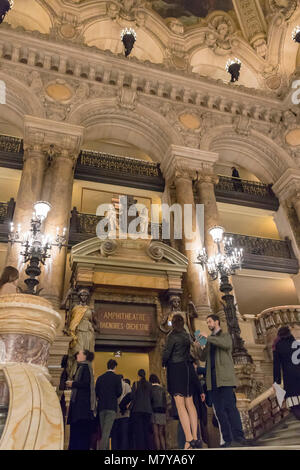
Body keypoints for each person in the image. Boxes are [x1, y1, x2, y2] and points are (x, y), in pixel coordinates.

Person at [195, 314, 249, 448]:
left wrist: (209, 338)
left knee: (231, 409)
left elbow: (224, 345)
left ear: (216, 322)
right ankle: (228, 440)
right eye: (207, 322)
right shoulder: (210, 340)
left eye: (210, 321)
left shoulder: (224, 336)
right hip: (212, 381)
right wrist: (198, 345)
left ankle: (239, 437)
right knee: (219, 412)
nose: (208, 324)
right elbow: (202, 356)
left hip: (224, 379)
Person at [162, 314, 200, 450]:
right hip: (188, 369)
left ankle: (188, 440)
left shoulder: (172, 336)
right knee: (190, 403)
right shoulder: (188, 334)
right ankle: (196, 438)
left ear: (173, 323)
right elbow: (198, 346)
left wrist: (163, 362)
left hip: (176, 369)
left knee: (180, 405)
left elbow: (167, 353)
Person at [66, 350, 96, 450]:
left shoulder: (86, 368)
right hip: (80, 406)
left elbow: (86, 384)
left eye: (80, 353)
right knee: (78, 430)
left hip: (82, 407)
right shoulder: (81, 367)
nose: (77, 355)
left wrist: (73, 384)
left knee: (80, 431)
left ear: (85, 357)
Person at [67, 288, 95, 380]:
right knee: (77, 352)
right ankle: (73, 374)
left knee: (86, 355)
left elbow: (95, 322)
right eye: (82, 295)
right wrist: (67, 295)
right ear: (79, 297)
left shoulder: (89, 309)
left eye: (86, 296)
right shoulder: (75, 307)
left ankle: (84, 375)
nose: (84, 297)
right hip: (77, 331)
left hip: (88, 332)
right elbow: (63, 307)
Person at [273, 326, 300, 420]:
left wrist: (277, 381)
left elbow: (276, 365)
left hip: (290, 379)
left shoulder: (278, 346)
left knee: (294, 405)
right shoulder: (297, 343)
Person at [95, 359, 122, 450]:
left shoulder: (100, 378)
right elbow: (119, 392)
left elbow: (96, 392)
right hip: (111, 407)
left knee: (104, 431)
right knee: (106, 432)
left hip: (101, 407)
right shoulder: (117, 378)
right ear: (115, 367)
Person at [130, 369, 153, 450]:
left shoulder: (135, 384)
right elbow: (151, 397)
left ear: (138, 375)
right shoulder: (150, 385)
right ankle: (147, 447)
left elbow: (132, 397)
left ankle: (140, 447)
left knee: (139, 431)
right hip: (147, 410)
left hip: (137, 410)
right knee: (146, 430)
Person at [111, 375, 132, 450]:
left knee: (115, 435)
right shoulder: (126, 385)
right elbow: (130, 397)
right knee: (124, 435)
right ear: (123, 378)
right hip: (125, 414)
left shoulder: (113, 385)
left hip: (115, 413)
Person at [149, 374, 167, 450]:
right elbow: (165, 401)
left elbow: (150, 401)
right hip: (162, 412)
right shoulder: (163, 389)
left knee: (156, 434)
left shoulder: (151, 389)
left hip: (154, 411)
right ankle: (164, 448)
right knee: (161, 433)